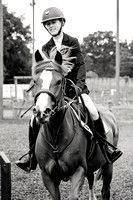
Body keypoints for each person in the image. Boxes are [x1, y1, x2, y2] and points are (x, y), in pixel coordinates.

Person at [15, 7, 122, 172]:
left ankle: (106, 148)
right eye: (48, 24)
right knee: (33, 120)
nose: (51, 26)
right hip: (55, 92)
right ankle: (31, 157)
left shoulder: (72, 41)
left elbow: (80, 65)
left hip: (75, 90)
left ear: (61, 22)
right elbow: (44, 71)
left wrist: (79, 86)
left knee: (93, 112)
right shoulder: (45, 47)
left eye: (53, 22)